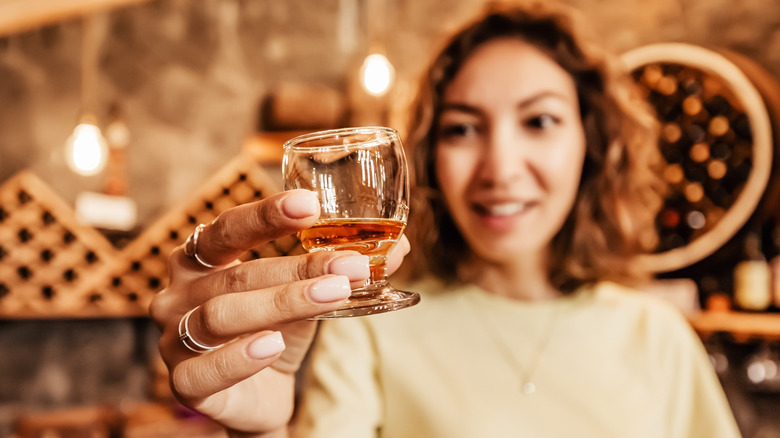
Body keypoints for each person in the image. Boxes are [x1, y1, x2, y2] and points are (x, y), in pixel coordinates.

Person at [150, 2, 742, 437]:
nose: (500, 168)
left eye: (539, 122)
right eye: (462, 128)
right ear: (429, 157)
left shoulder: (659, 337)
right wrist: (261, 433)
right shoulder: (370, 329)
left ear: (593, 144)